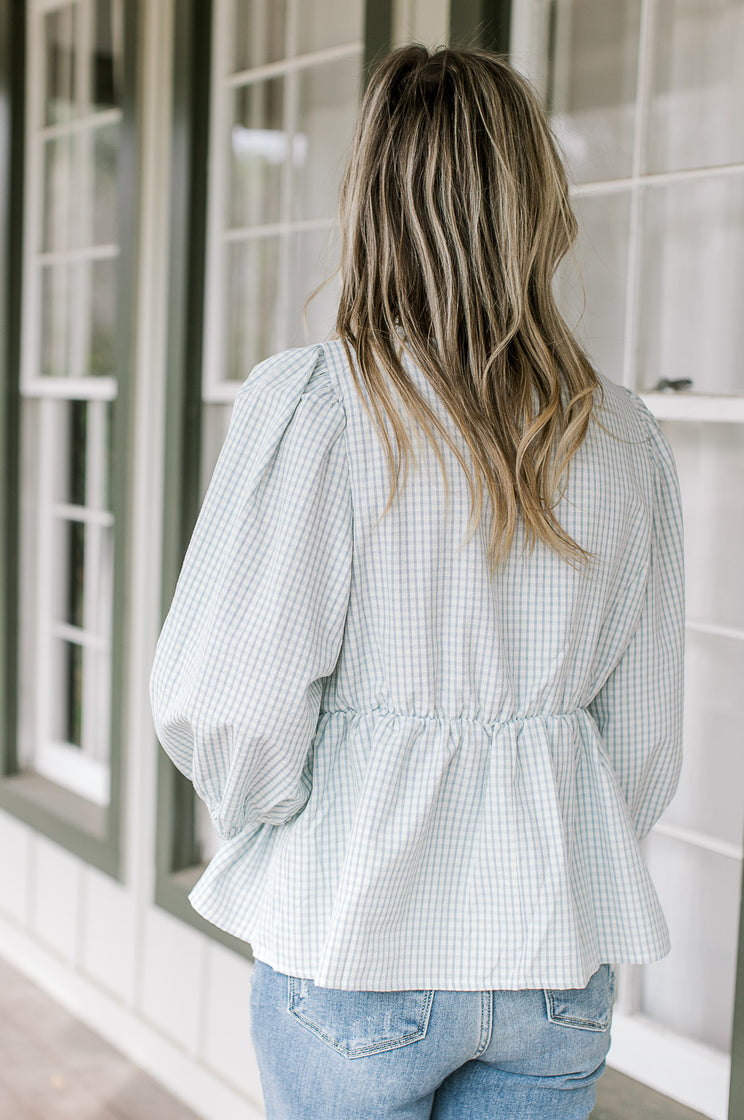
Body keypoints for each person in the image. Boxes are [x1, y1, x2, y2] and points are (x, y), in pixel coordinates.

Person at [149, 44, 684, 1120]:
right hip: (550, 951)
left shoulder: (316, 407)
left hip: (354, 935)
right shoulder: (622, 435)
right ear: (538, 205)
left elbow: (222, 703)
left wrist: (294, 812)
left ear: (371, 203)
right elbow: (640, 745)